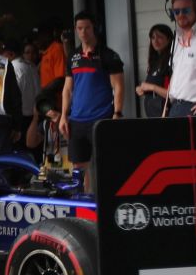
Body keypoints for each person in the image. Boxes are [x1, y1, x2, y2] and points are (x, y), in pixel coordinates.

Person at [59, 12, 124, 192]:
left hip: (101, 119)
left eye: (87, 27)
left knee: (105, 165)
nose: (83, 32)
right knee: (79, 169)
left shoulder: (108, 55)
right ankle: (82, 209)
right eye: (79, 28)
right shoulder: (73, 56)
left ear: (94, 28)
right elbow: (67, 89)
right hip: (77, 120)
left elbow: (118, 86)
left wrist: (117, 113)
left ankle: (107, 202)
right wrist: (64, 116)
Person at [135, 24, 173, 118]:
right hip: (152, 112)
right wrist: (142, 89)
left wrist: (152, 87)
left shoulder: (171, 62)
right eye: (153, 37)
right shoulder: (154, 62)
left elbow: (172, 94)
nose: (155, 41)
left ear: (168, 40)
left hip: (166, 112)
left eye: (160, 37)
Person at [11, 39, 41, 151]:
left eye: (33, 52)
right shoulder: (32, 67)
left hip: (23, 117)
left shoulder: (14, 67)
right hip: (33, 116)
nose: (31, 55)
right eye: (27, 52)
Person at [37, 23, 67, 87]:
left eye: (39, 37)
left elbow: (60, 79)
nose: (37, 40)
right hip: (47, 95)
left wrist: (45, 92)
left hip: (55, 96)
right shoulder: (45, 53)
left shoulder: (57, 49)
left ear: (47, 36)